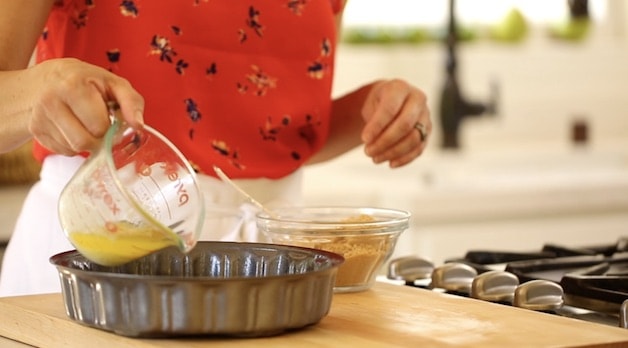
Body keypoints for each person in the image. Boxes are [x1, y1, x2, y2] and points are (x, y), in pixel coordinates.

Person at [0, 0, 431, 297]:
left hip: (270, 270)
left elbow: (270, 135)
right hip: (95, 251)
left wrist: (371, 111)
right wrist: (38, 92)